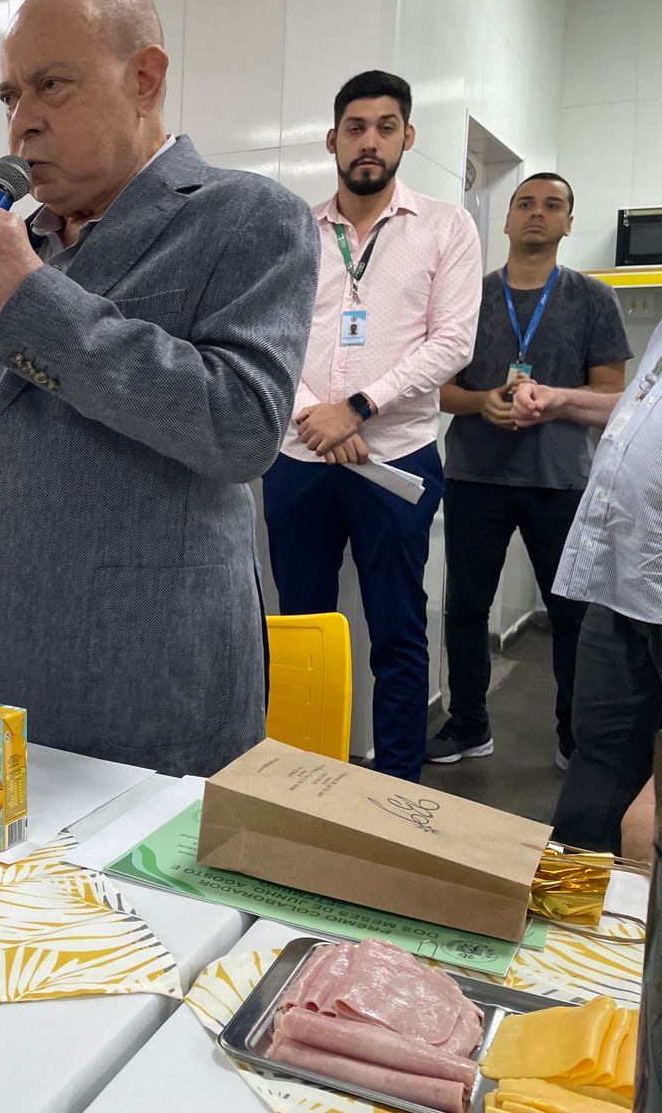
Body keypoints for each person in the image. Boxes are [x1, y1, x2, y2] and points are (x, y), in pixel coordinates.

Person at [0, 0, 318, 775]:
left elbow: (241, 427)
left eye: (51, 84)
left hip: (142, 688)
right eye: (10, 95)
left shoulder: (246, 217)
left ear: (145, 79)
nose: (22, 121)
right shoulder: (31, 241)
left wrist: (29, 295)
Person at [262, 70, 482, 783]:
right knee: (302, 629)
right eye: (355, 128)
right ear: (333, 140)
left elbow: (452, 343)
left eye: (386, 127)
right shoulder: (295, 231)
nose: (369, 142)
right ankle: (300, 782)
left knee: (397, 628)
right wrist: (314, 416)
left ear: (406, 137)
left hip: (396, 458)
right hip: (299, 456)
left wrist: (356, 408)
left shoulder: (446, 226)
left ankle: (395, 792)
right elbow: (269, 336)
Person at [428, 173, 630, 768]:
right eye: (525, 203)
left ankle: (574, 736)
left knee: (571, 613)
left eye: (552, 205)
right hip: (474, 476)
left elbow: (612, 394)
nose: (537, 213)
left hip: (560, 480)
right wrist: (481, 402)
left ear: (569, 222)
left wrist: (555, 402)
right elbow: (440, 388)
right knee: (465, 608)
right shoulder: (469, 297)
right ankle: (469, 724)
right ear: (508, 220)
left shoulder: (594, 300)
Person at [512, 326, 662, 853]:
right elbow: (644, 407)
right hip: (625, 575)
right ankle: (568, 892)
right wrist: (564, 401)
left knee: (645, 813)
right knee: (600, 749)